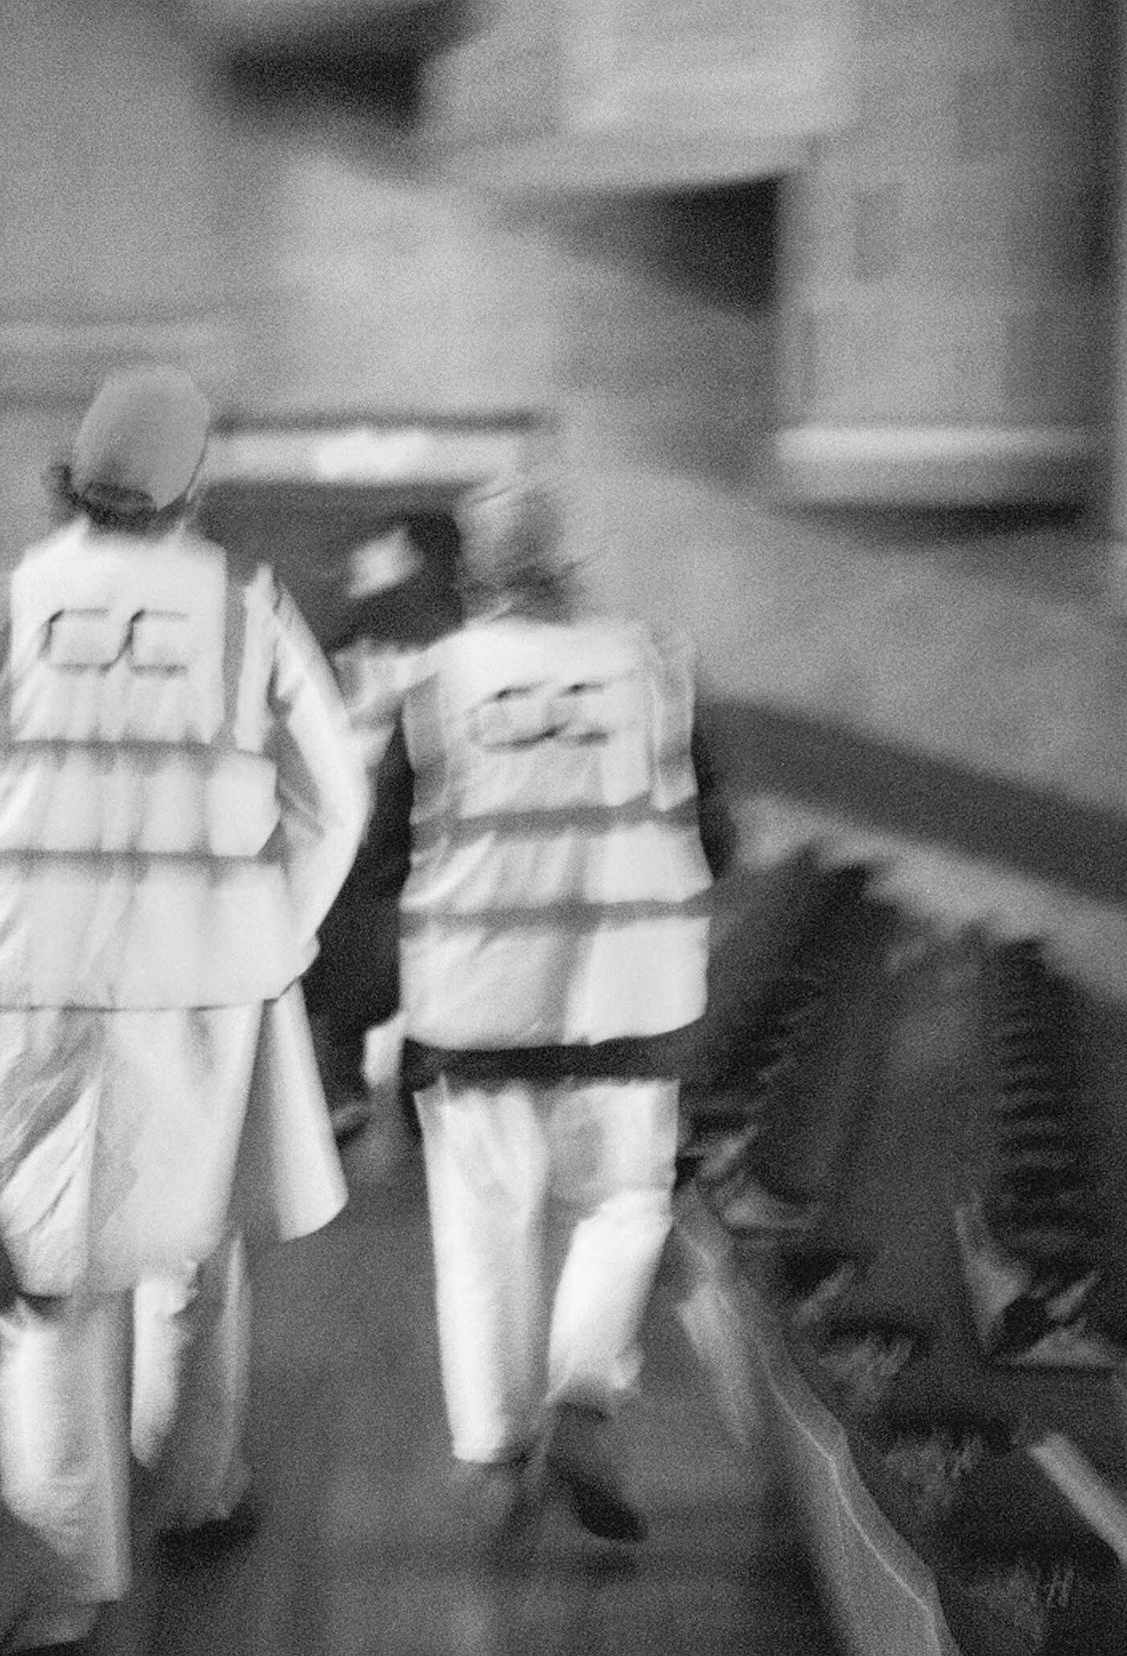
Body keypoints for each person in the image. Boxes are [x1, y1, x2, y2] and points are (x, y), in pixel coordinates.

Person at [0, 365, 368, 1653]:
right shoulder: (247, 610)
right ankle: (198, 1494)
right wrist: (272, 929)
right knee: (195, 1252)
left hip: (23, 988)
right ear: (194, 486)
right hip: (199, 987)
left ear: (68, 476)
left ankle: (65, 1591)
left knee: (43, 1293)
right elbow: (336, 795)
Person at [351, 471, 727, 1543]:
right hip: (624, 1000)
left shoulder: (435, 685)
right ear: (568, 563)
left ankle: (495, 1457)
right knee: (622, 1209)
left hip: (475, 1013)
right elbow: (720, 836)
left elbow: (383, 857)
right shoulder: (652, 667)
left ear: (471, 574)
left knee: (483, 1234)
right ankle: (579, 1392)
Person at [304, 510, 466, 1140]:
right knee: (363, 963)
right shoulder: (352, 640)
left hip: (409, 832)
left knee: (382, 962)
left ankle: (375, 1072)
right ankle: (366, 1073)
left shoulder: (453, 648)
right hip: (378, 834)